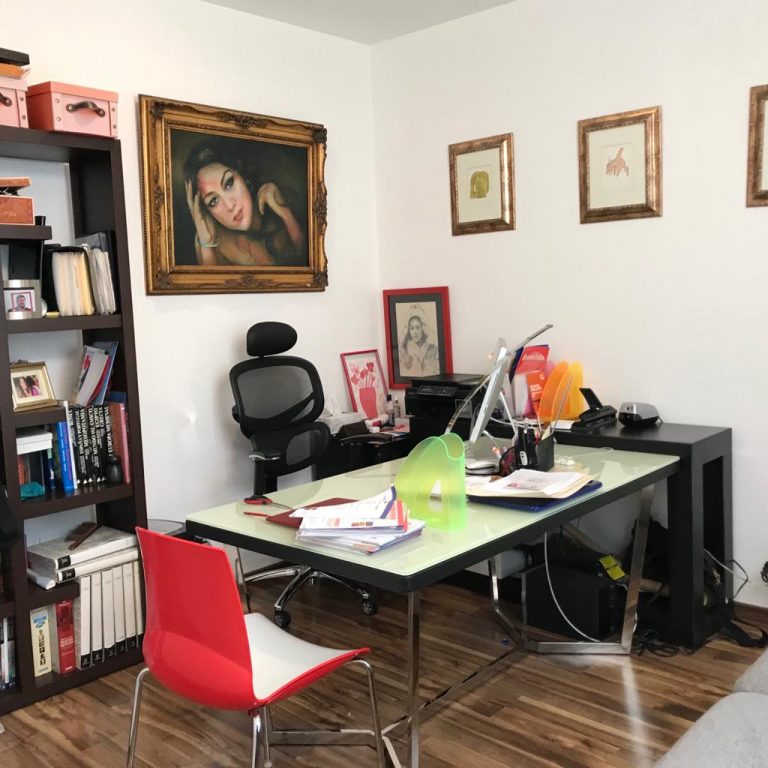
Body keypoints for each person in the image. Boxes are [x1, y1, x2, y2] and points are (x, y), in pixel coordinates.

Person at [183, 140, 305, 267]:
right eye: (213, 201)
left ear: (243, 176)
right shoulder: (210, 243)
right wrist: (207, 246)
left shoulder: (277, 203)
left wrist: (285, 213)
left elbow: (307, 260)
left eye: (229, 184)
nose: (230, 206)